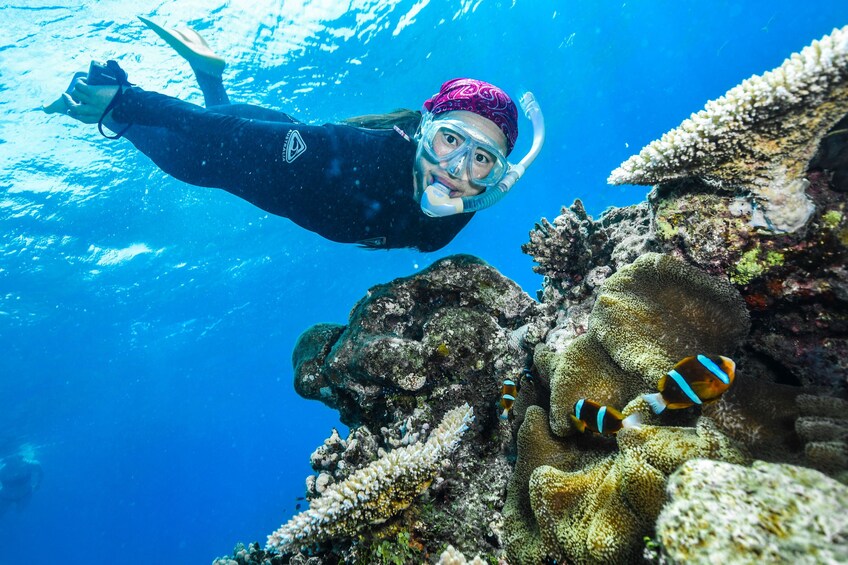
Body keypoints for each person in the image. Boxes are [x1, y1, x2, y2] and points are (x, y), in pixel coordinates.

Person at [44, 18, 544, 251]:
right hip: (228, 154)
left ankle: (207, 73)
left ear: (499, 176)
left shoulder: (464, 204)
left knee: (220, 115)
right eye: (451, 141)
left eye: (483, 160)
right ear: (424, 129)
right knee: (165, 143)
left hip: (275, 136)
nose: (457, 172)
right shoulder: (353, 155)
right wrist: (129, 103)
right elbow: (227, 131)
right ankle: (106, 93)